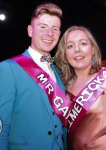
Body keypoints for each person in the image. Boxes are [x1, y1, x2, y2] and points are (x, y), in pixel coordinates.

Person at [55, 25, 106, 150]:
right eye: (70, 46)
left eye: (83, 43)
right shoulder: (61, 86)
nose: (77, 50)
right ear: (65, 54)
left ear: (92, 49)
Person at [0, 2, 67, 150]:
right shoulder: (8, 68)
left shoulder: (58, 72)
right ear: (30, 30)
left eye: (55, 29)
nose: (49, 33)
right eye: (43, 27)